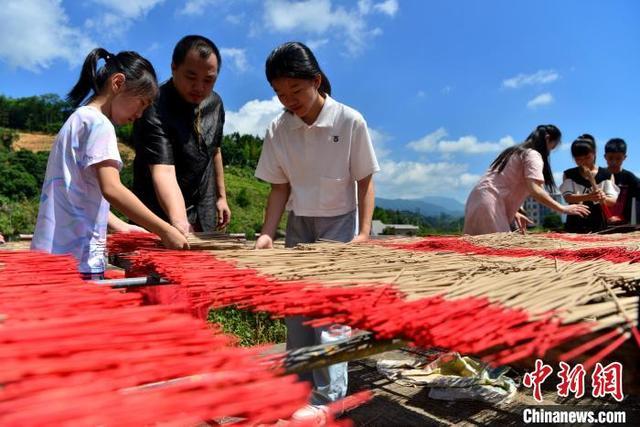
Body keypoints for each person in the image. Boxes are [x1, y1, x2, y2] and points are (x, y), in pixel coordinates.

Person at [254, 42, 379, 421]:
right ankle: (299, 386)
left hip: (339, 223)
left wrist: (363, 232)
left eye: (296, 91)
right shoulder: (279, 128)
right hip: (299, 224)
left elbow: (365, 179)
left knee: (330, 314)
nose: (289, 101)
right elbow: (280, 187)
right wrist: (267, 234)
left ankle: (328, 400)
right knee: (297, 311)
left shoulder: (349, 121)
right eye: (280, 94)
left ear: (317, 80)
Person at [31, 48, 188, 280]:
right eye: (142, 103)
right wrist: (165, 230)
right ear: (118, 83)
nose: (140, 114)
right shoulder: (100, 125)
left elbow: (76, 194)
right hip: (78, 260)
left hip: (52, 255)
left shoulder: (77, 120)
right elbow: (112, 189)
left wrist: (119, 226)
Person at [132, 35, 230, 234]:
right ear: (173, 68)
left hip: (203, 204)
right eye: (191, 77)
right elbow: (164, 172)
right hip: (157, 208)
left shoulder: (216, 103)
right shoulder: (154, 106)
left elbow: (215, 150)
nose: (199, 88)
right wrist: (180, 223)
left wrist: (221, 197)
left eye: (209, 80)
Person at [464, 125, 589, 235]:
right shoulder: (532, 154)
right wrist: (563, 208)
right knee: (497, 254)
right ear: (547, 138)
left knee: (475, 252)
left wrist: (515, 213)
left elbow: (501, 183)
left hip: (476, 200)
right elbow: (534, 189)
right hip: (490, 204)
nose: (550, 152)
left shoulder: (513, 152)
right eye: (552, 147)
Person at [560, 135, 618, 233]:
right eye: (579, 159)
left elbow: (612, 201)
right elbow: (568, 198)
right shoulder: (569, 174)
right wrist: (589, 196)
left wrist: (603, 198)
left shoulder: (606, 175)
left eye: (587, 157)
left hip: (599, 223)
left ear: (594, 153)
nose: (584, 162)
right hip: (575, 222)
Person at [604, 138, 639, 224]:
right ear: (605, 157)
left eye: (618, 158)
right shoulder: (599, 176)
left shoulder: (630, 178)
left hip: (625, 223)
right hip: (601, 223)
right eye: (610, 158)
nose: (614, 162)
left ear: (624, 157)